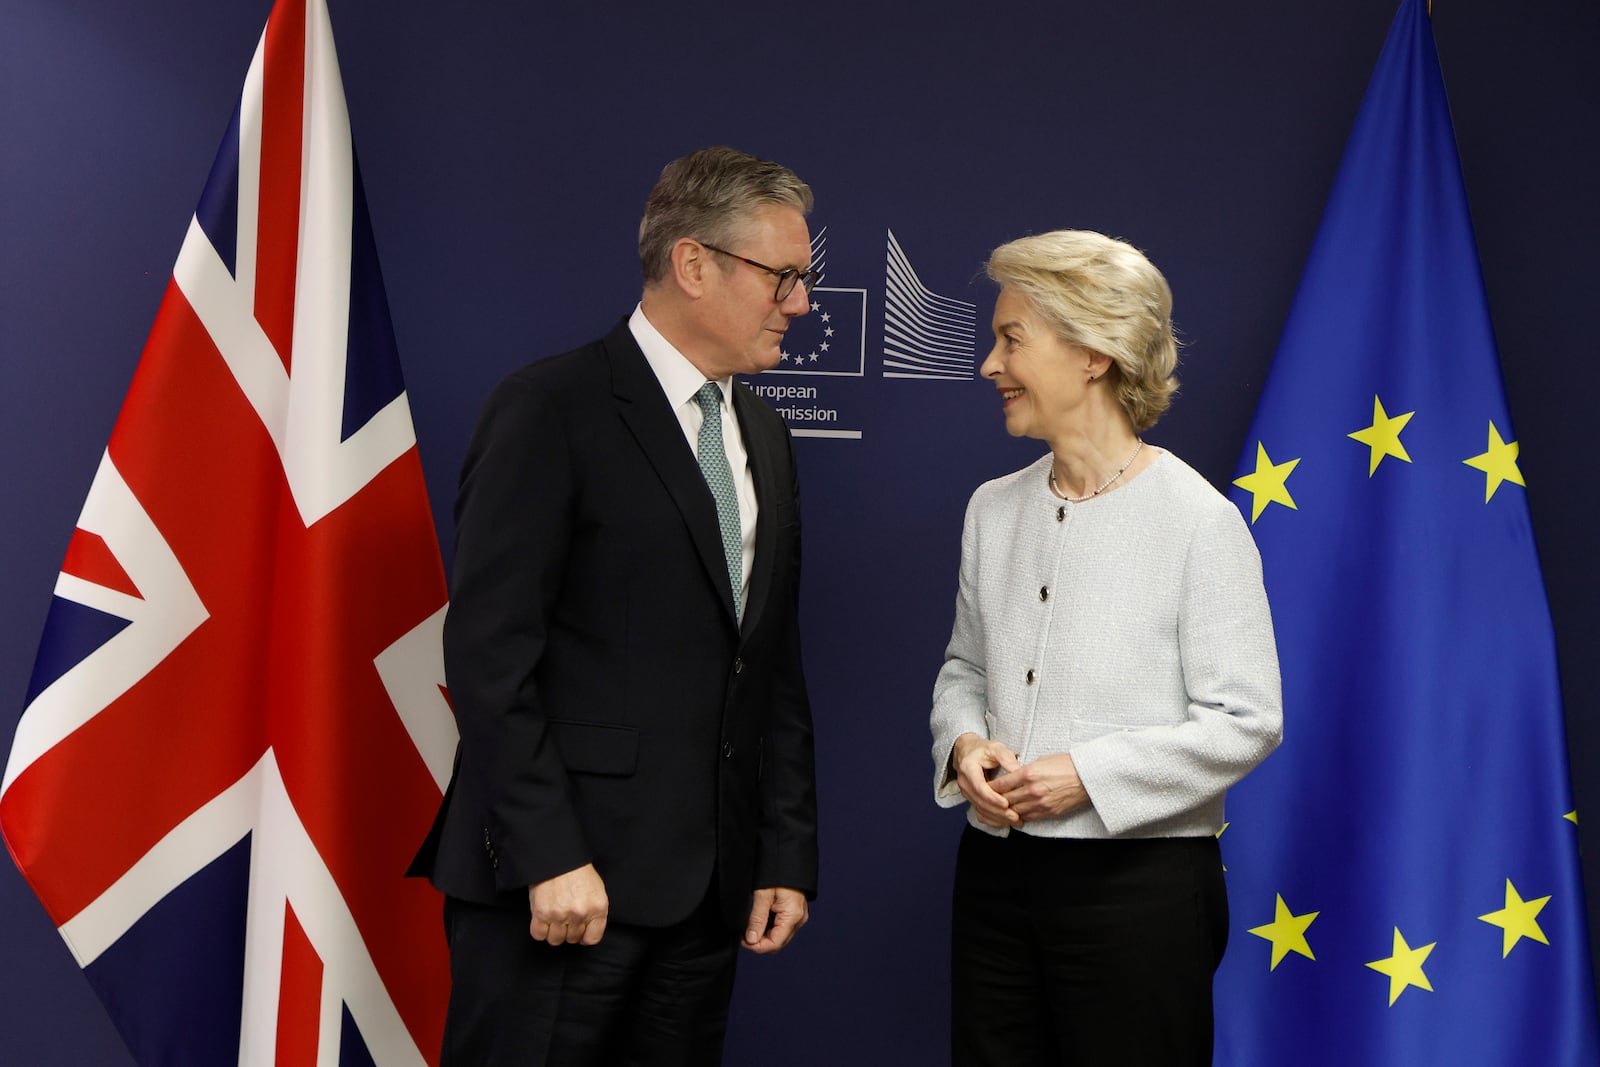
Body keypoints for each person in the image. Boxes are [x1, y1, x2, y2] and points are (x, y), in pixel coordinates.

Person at [411, 146, 820, 1065]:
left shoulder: (766, 433)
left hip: (707, 897)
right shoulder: (549, 408)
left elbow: (771, 661)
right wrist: (546, 852)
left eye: (805, 278)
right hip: (559, 895)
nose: (800, 302)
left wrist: (784, 851)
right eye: (784, 276)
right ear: (693, 263)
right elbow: (488, 656)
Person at [929, 230, 1282, 1065]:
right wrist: (965, 744)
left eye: (1011, 338)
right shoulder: (992, 508)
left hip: (1143, 893)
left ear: (1092, 352)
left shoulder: (1199, 521)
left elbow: (1247, 719)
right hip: (994, 875)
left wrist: (1088, 774)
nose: (990, 363)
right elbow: (964, 668)